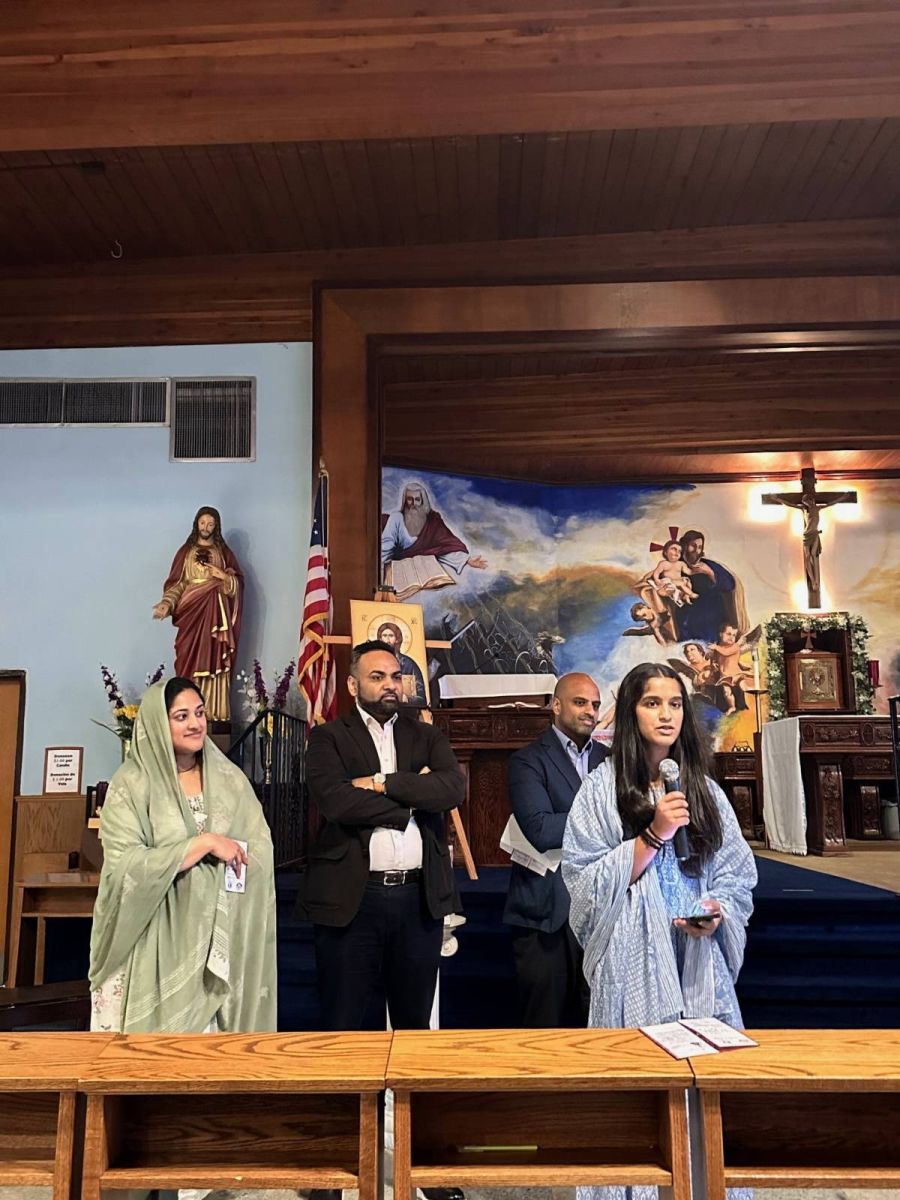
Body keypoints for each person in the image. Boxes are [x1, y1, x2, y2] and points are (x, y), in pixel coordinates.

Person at [562, 662, 756, 1200]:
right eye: (652, 703)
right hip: (632, 962)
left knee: (704, 1089)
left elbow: (736, 875)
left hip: (696, 961)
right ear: (631, 713)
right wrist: (654, 833)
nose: (666, 715)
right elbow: (582, 881)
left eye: (674, 704)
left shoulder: (704, 791)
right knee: (638, 1093)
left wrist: (716, 909)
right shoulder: (601, 792)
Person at [89, 676, 277, 1033]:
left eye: (200, 713)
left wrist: (226, 870)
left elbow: (260, 850)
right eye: (181, 716)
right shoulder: (132, 784)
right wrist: (201, 845)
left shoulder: (230, 780)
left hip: (218, 943)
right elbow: (123, 866)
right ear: (158, 724)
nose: (195, 724)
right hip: (149, 940)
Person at [503, 673, 607, 1027]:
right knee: (543, 1027)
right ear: (557, 705)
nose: (590, 711)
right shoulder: (528, 760)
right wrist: (606, 818)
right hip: (546, 911)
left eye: (595, 705)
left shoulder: (612, 760)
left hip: (600, 909)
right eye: (580, 702)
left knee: (597, 1025)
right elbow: (541, 831)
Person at [152, 506, 242, 722]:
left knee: (214, 658)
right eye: (203, 523)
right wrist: (167, 603)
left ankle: (214, 711)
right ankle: (187, 710)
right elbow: (177, 584)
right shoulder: (186, 552)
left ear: (216, 526)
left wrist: (222, 576)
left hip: (216, 614)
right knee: (188, 657)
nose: (206, 527)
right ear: (196, 524)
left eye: (210, 524)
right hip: (192, 613)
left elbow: (237, 585)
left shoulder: (224, 553)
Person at [381, 481, 488, 578]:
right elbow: (385, 548)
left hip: (425, 572)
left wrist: (467, 560)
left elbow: (445, 546)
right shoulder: (396, 518)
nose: (413, 504)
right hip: (400, 571)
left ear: (422, 501)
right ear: (405, 500)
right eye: (410, 499)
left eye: (417, 499)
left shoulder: (433, 521)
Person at [672, 529, 748, 644]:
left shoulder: (708, 565)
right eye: (693, 546)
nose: (696, 550)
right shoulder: (675, 566)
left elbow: (730, 585)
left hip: (713, 616)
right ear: (684, 546)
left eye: (700, 547)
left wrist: (710, 573)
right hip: (688, 617)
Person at [376, 619, 428, 706]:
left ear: (397, 639)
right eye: (384, 636)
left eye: (391, 636)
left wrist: (408, 699)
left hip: (405, 710)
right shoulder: (374, 664)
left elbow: (421, 698)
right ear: (380, 639)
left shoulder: (409, 664)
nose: (387, 640)